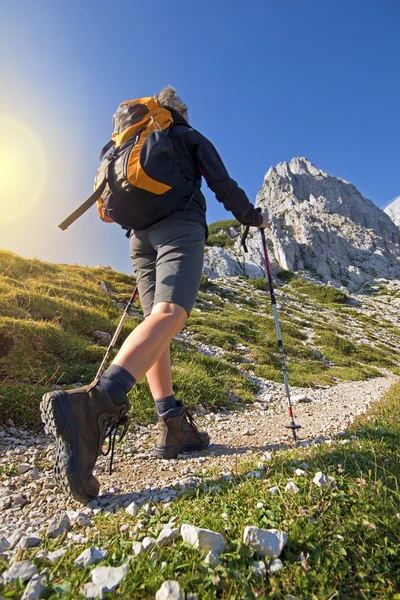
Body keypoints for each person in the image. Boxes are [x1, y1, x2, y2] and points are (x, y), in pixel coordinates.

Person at [40, 86, 269, 504]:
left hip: (138, 239)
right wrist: (253, 218)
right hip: (179, 225)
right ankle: (95, 404)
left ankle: (170, 424)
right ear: (177, 110)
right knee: (172, 314)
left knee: (155, 324)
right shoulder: (182, 133)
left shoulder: (125, 144)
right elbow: (223, 183)